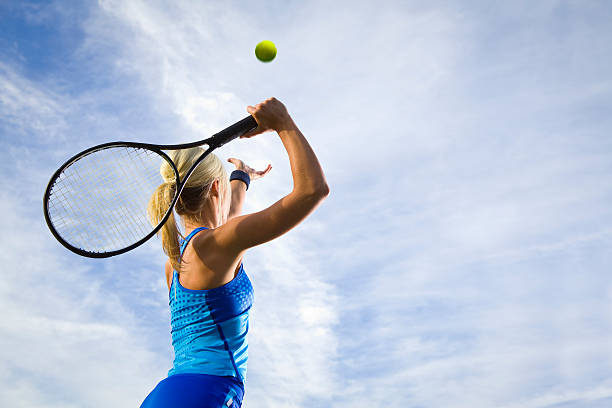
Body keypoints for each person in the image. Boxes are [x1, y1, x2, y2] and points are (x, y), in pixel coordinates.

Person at [140, 97, 329, 408]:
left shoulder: (176, 260)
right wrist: (284, 124)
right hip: (205, 397)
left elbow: (227, 219)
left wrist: (241, 177)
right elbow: (312, 190)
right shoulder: (216, 244)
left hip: (170, 394)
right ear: (216, 188)